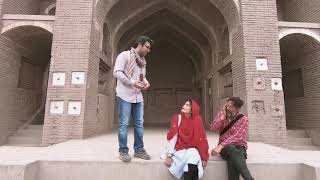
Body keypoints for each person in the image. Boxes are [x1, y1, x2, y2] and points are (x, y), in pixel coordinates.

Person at [113, 36, 153, 162]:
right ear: (140, 44)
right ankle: (123, 151)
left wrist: (146, 82)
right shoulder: (124, 56)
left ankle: (139, 150)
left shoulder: (143, 61)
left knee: (139, 125)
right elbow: (117, 72)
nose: (148, 50)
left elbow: (142, 77)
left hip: (137, 96)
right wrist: (132, 82)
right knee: (124, 124)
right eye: (147, 47)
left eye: (149, 48)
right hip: (124, 94)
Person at [210, 97, 254, 180]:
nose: (227, 108)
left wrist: (220, 146)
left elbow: (237, 136)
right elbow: (213, 128)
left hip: (239, 146)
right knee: (232, 150)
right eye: (226, 105)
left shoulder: (243, 119)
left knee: (232, 160)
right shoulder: (222, 114)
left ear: (237, 108)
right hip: (226, 148)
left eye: (230, 106)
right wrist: (221, 118)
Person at [165, 99, 209, 180]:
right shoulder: (177, 118)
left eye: (187, 105)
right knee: (193, 158)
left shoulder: (197, 120)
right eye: (184, 104)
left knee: (193, 154)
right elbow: (173, 138)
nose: (183, 106)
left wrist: (203, 157)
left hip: (191, 149)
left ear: (192, 110)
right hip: (179, 150)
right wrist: (169, 156)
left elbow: (202, 139)